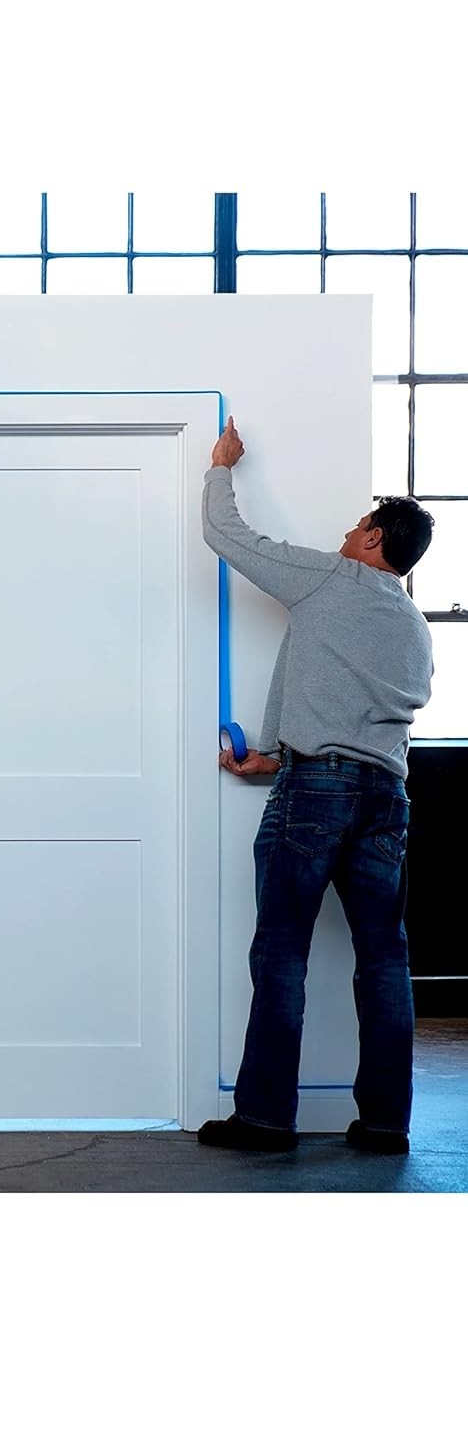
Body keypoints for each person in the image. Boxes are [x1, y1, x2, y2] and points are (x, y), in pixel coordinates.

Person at [196, 417, 434, 1155]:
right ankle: (387, 1125)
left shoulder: (331, 577)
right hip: (386, 796)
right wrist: (274, 755)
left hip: (316, 794)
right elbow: (366, 712)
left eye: (357, 525)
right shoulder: (414, 626)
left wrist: (221, 465)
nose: (347, 532)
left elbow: (226, 535)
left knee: (281, 953)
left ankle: (266, 1120)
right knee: (385, 960)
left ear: (373, 540)